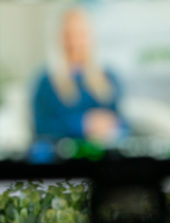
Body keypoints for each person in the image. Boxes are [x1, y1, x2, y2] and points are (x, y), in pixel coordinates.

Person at [31, 8, 125, 145]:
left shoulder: (109, 77)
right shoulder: (46, 82)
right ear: (59, 39)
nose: (75, 42)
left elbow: (122, 121)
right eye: (69, 35)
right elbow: (41, 128)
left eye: (81, 34)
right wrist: (83, 124)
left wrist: (110, 125)